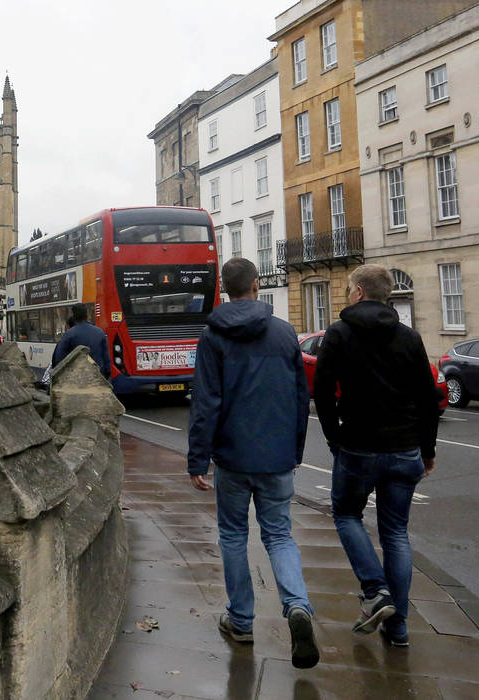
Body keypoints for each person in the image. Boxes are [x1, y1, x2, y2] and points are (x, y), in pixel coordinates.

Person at [187, 257, 319, 670]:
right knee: (279, 536)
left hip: (232, 456)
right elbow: (301, 399)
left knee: (232, 535)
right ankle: (297, 605)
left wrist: (198, 458)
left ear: (225, 289)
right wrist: (295, 451)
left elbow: (206, 401)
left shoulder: (212, 336)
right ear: (257, 285)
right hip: (277, 455)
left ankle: (241, 620)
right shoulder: (284, 333)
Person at [314, 264, 440, 648]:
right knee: (396, 533)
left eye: (350, 289)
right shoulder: (409, 337)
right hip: (404, 449)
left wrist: (335, 439)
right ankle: (397, 628)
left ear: (358, 292)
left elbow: (321, 392)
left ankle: (375, 589)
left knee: (347, 514)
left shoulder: (339, 334)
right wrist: (427, 449)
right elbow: (427, 398)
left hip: (358, 446)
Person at [51, 303, 110, 378]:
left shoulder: (68, 335)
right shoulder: (100, 333)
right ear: (87, 315)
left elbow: (58, 360)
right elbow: (106, 359)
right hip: (97, 378)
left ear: (74, 316)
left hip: (76, 380)